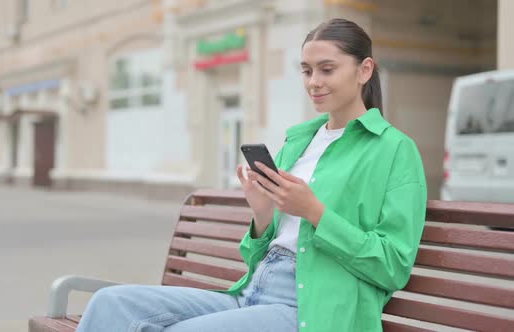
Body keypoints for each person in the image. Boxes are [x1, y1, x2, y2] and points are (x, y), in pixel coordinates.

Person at [76, 18, 427, 332]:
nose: (314, 82)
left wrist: (315, 212)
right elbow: (260, 253)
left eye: (327, 69)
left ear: (364, 70)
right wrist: (263, 214)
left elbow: (393, 266)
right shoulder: (299, 141)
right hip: (254, 290)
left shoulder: (394, 150)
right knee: (112, 303)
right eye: (306, 71)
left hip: (311, 309)